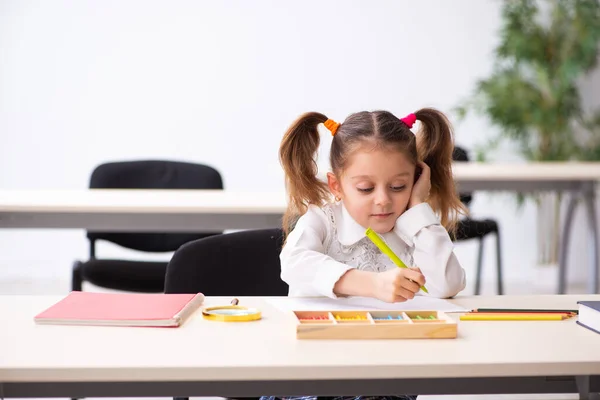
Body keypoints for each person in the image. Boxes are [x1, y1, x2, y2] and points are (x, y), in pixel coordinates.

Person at [278, 108, 467, 304]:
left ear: (416, 179)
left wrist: (418, 205)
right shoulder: (322, 221)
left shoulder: (416, 227)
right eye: (366, 188)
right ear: (336, 186)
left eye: (398, 186)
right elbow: (294, 263)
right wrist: (374, 284)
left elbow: (448, 285)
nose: (383, 200)